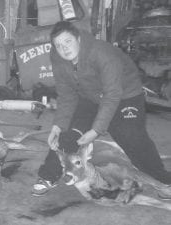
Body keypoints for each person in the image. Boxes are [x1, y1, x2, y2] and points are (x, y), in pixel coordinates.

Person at [32, 21, 171, 196]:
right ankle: (48, 175)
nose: (64, 48)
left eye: (67, 41)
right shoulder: (58, 58)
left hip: (125, 95)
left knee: (130, 135)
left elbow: (112, 94)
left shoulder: (101, 53)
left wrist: (96, 130)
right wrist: (57, 126)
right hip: (89, 95)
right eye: (58, 45)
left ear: (78, 38)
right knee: (68, 132)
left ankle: (162, 180)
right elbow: (67, 94)